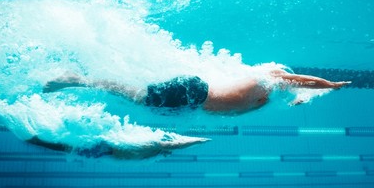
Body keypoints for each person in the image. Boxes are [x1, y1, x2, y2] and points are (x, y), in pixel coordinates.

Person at [42, 68, 351, 114]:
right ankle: (77, 79)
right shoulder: (271, 77)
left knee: (138, 96)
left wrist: (302, 97)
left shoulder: (265, 92)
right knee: (137, 97)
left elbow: (294, 93)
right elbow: (303, 80)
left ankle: (82, 78)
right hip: (195, 95)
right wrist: (331, 85)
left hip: (195, 95)